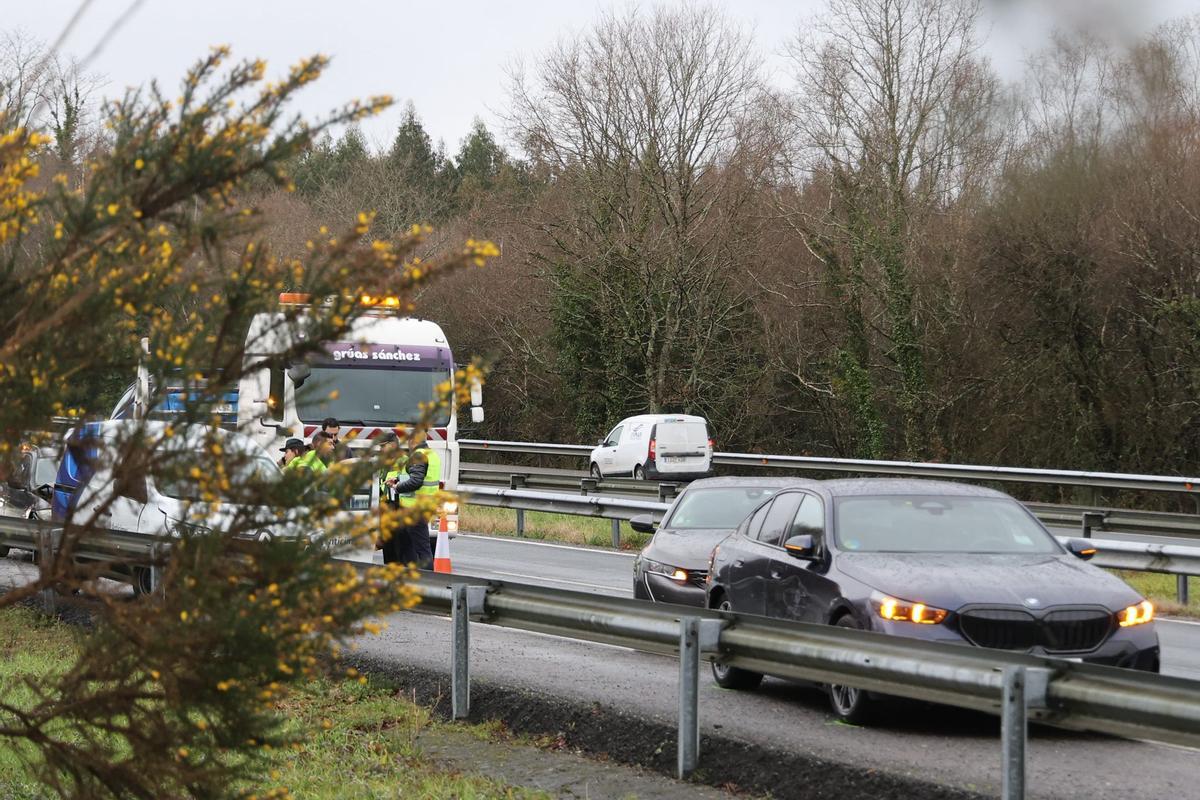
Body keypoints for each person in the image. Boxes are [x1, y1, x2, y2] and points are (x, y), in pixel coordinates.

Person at [378, 429, 442, 568]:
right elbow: (417, 477)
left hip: (415, 508)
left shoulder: (418, 455)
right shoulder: (431, 454)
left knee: (421, 549)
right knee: (410, 546)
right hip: (423, 506)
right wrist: (398, 479)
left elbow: (416, 481)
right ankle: (412, 576)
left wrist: (398, 487)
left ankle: (429, 581)